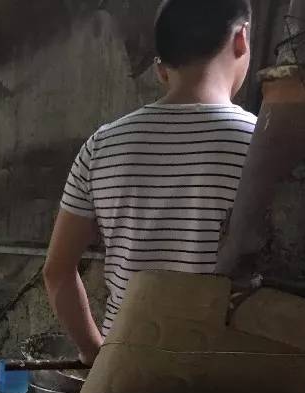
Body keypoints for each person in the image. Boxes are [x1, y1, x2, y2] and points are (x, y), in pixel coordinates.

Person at [44, 0, 255, 363]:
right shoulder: (258, 148)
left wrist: (95, 355)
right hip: (220, 377)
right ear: (242, 40)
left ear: (161, 69)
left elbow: (57, 272)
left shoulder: (103, 145)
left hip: (124, 369)